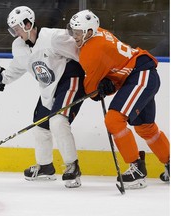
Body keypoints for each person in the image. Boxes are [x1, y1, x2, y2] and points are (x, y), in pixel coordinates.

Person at [67, 9, 170, 189]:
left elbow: (92, 90)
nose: (74, 36)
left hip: (140, 77)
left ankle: (136, 169)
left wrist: (103, 88)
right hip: (142, 75)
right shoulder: (101, 33)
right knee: (145, 127)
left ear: (89, 32)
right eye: (72, 31)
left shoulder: (91, 49)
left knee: (113, 120)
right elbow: (114, 65)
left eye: (78, 32)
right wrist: (108, 83)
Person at [0, 6, 86, 188]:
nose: (16, 34)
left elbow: (83, 53)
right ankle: (45, 167)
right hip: (50, 86)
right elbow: (18, 66)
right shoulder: (19, 45)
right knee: (40, 125)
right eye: (13, 30)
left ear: (27, 24)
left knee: (58, 121)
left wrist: (100, 75)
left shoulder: (54, 37)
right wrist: (2, 79)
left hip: (69, 79)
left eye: (17, 29)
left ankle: (72, 167)